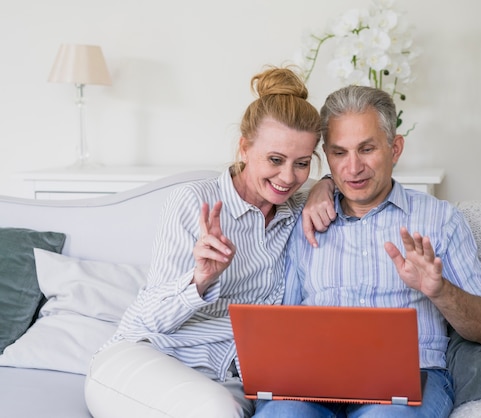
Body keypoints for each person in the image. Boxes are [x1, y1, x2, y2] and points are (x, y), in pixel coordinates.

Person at [254, 85, 481, 418]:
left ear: (395, 148)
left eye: (367, 149)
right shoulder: (305, 219)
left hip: (404, 388)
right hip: (312, 384)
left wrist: (439, 290)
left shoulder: (439, 219)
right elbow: (282, 326)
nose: (353, 167)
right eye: (339, 152)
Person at [84, 66, 324, 418]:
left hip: (227, 381)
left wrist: (325, 186)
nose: (288, 177)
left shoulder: (299, 207)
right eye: (275, 160)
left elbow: (342, 179)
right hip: (150, 358)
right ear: (244, 148)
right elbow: (144, 322)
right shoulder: (193, 202)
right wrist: (199, 280)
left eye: (302, 164)